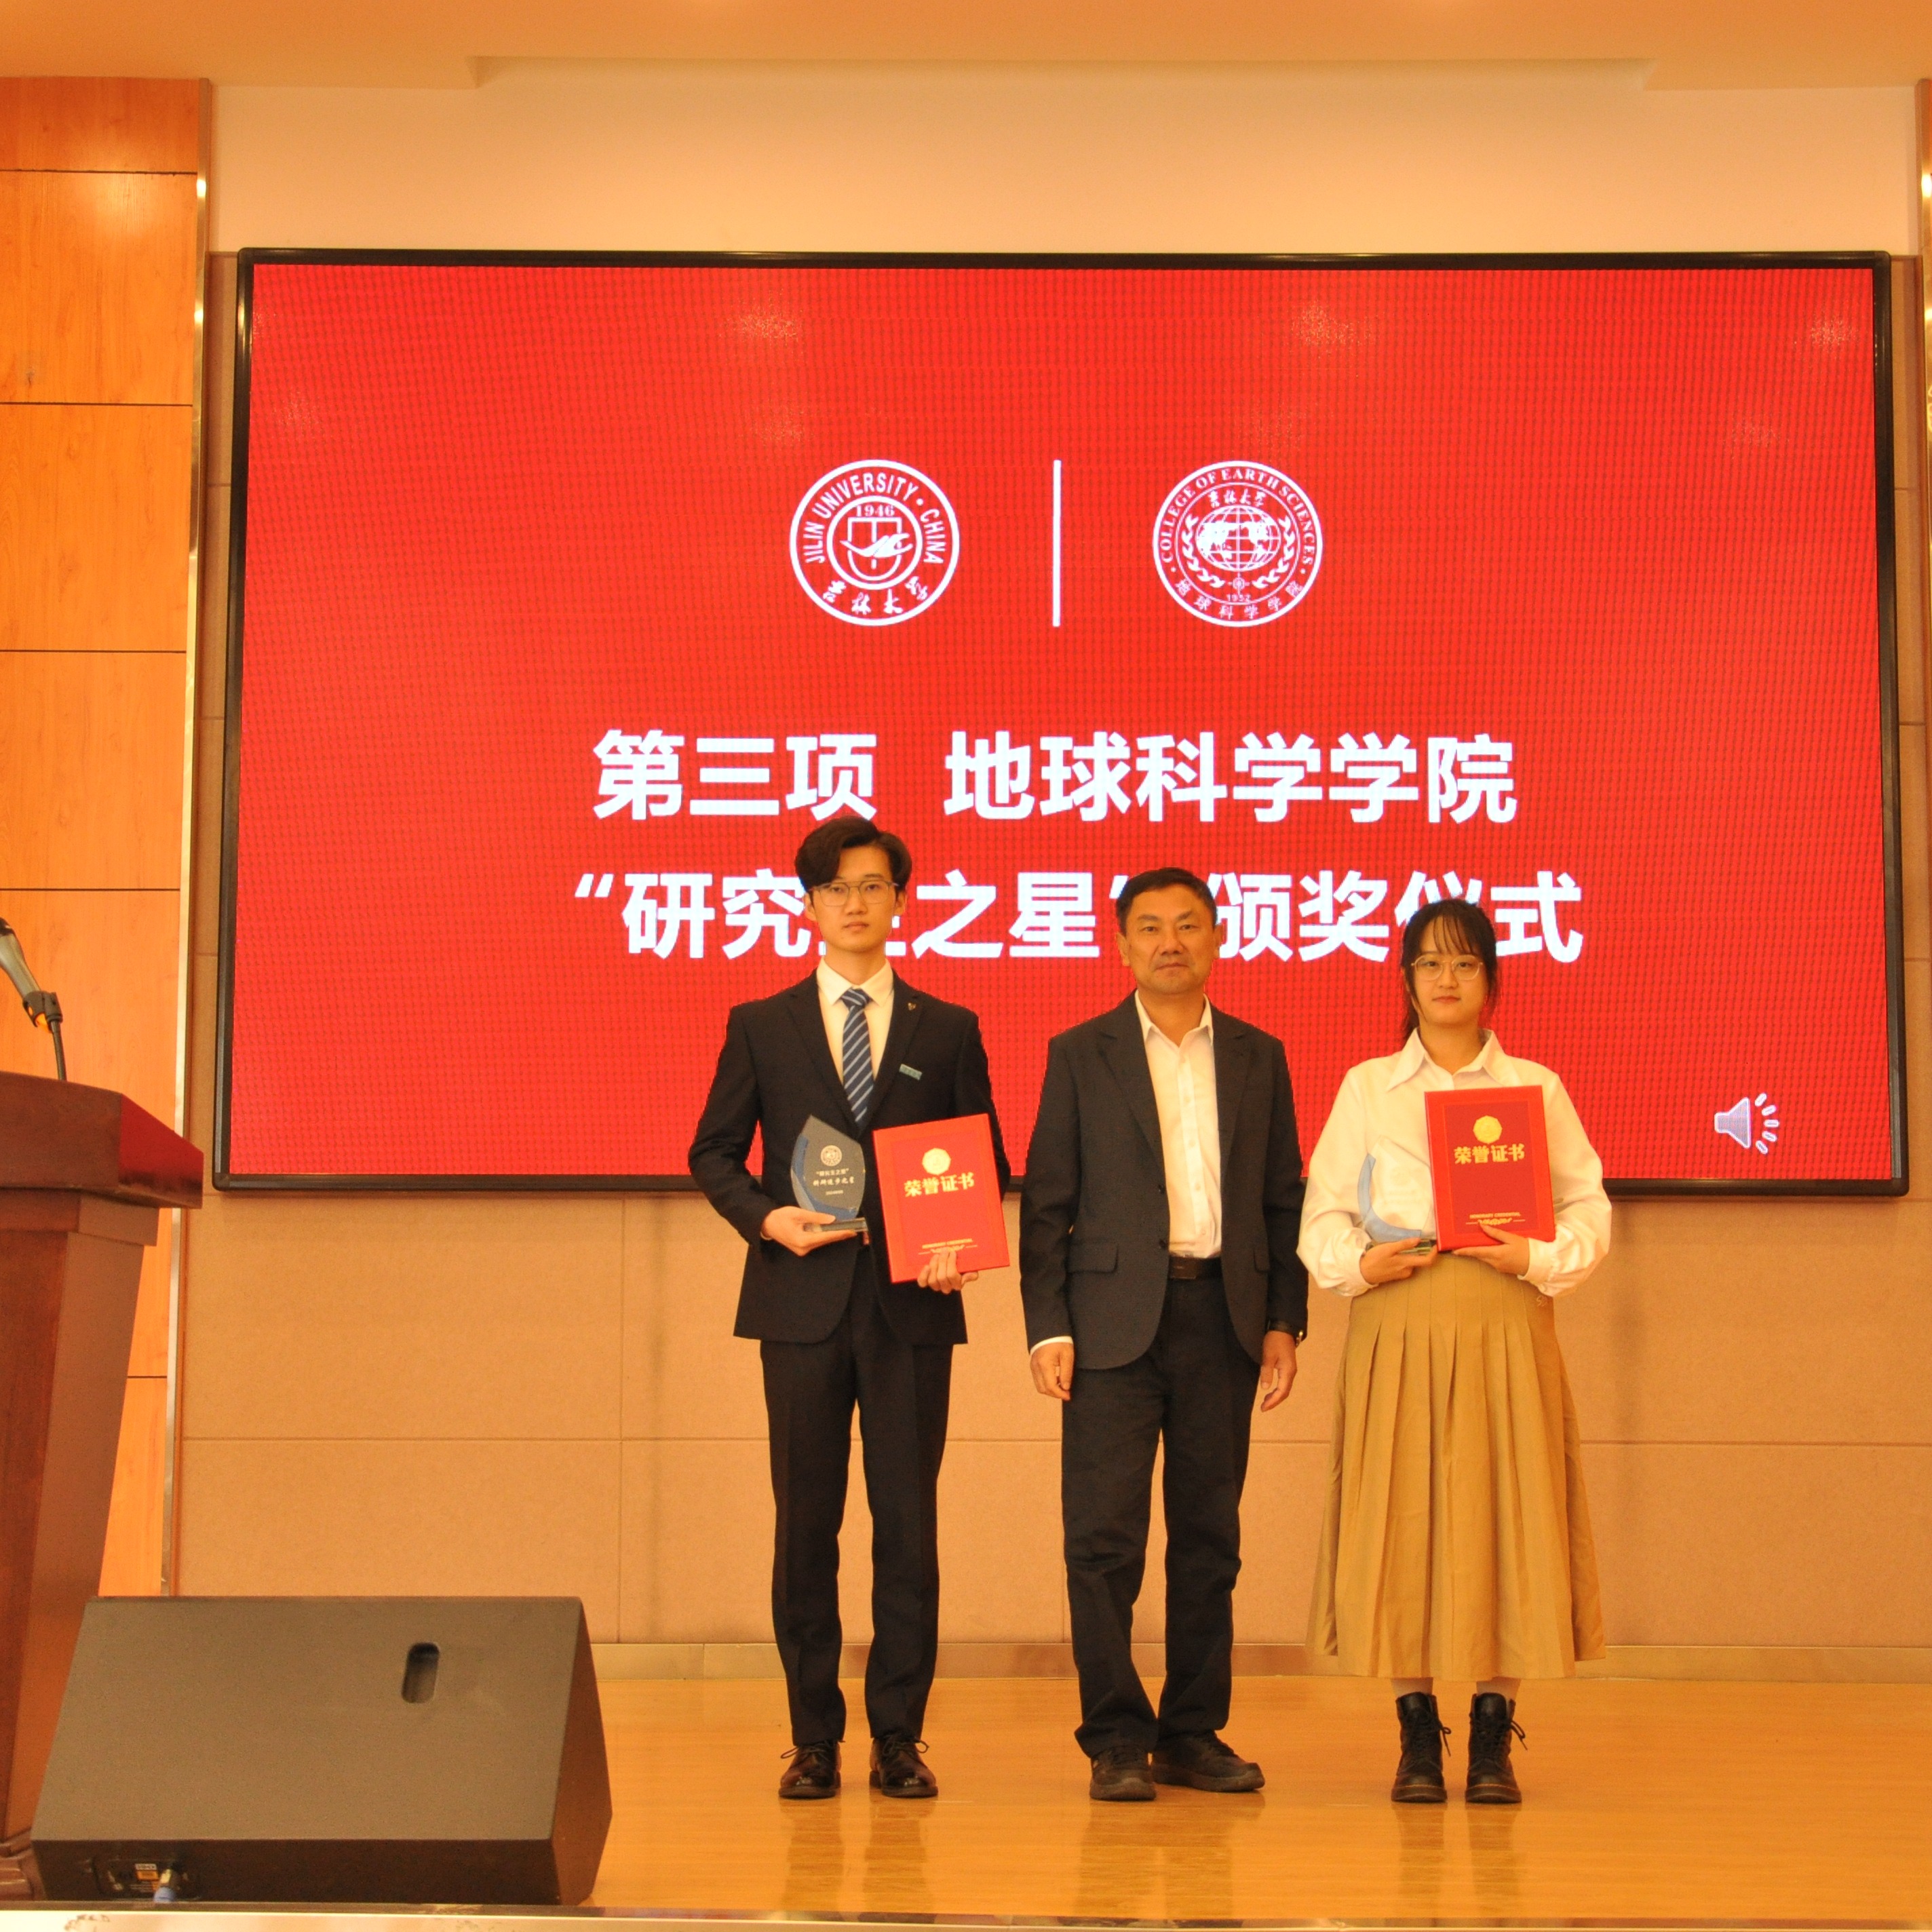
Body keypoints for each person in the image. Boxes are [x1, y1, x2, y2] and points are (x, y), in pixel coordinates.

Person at [689, 815, 1011, 1801]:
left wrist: (958, 1244)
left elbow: (981, 1160)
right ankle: (814, 1737)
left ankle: (899, 1737)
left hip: (913, 1307)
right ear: (809, 905)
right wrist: (765, 1219)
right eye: (837, 889)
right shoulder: (763, 1023)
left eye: (873, 886)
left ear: (900, 901)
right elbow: (713, 1152)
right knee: (806, 1526)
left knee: (908, 1528)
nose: (856, 903)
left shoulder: (947, 1028)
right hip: (800, 1305)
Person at [1298, 897, 1609, 1805]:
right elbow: (1323, 1214)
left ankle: (1491, 1737)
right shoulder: (1368, 1088)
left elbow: (1589, 1206)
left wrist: (1536, 1257)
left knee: (1507, 1513)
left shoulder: (1535, 1089)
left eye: (1466, 964)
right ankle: (1415, 1737)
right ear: (1406, 982)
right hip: (1398, 1319)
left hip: (1505, 1317)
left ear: (1491, 982)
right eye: (1430, 964)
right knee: (1405, 1517)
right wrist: (1359, 1262)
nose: (1447, 980)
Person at [1020, 866, 1307, 1802]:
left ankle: (1191, 1731)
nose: (1170, 942)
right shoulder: (1081, 1053)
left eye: (1188, 924)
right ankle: (1114, 1736)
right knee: (1103, 1541)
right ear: (1121, 945)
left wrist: (1284, 1319)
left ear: (1219, 937)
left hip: (1224, 1319)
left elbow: (1282, 1200)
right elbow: (1047, 1203)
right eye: (1149, 927)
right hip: (1108, 1327)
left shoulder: (1260, 1056)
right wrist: (1047, 1328)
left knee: (1209, 1540)